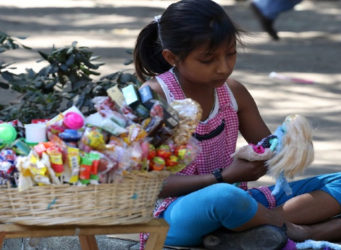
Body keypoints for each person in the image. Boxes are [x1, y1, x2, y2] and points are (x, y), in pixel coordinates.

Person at [133, 0, 341, 248]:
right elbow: (149, 185)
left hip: (241, 203)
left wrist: (286, 142)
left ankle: (246, 232)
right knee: (224, 196)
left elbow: (267, 151)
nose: (224, 68)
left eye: (230, 54)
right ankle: (305, 231)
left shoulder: (233, 93)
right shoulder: (155, 97)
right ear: (172, 57)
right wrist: (223, 176)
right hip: (172, 215)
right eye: (208, 59)